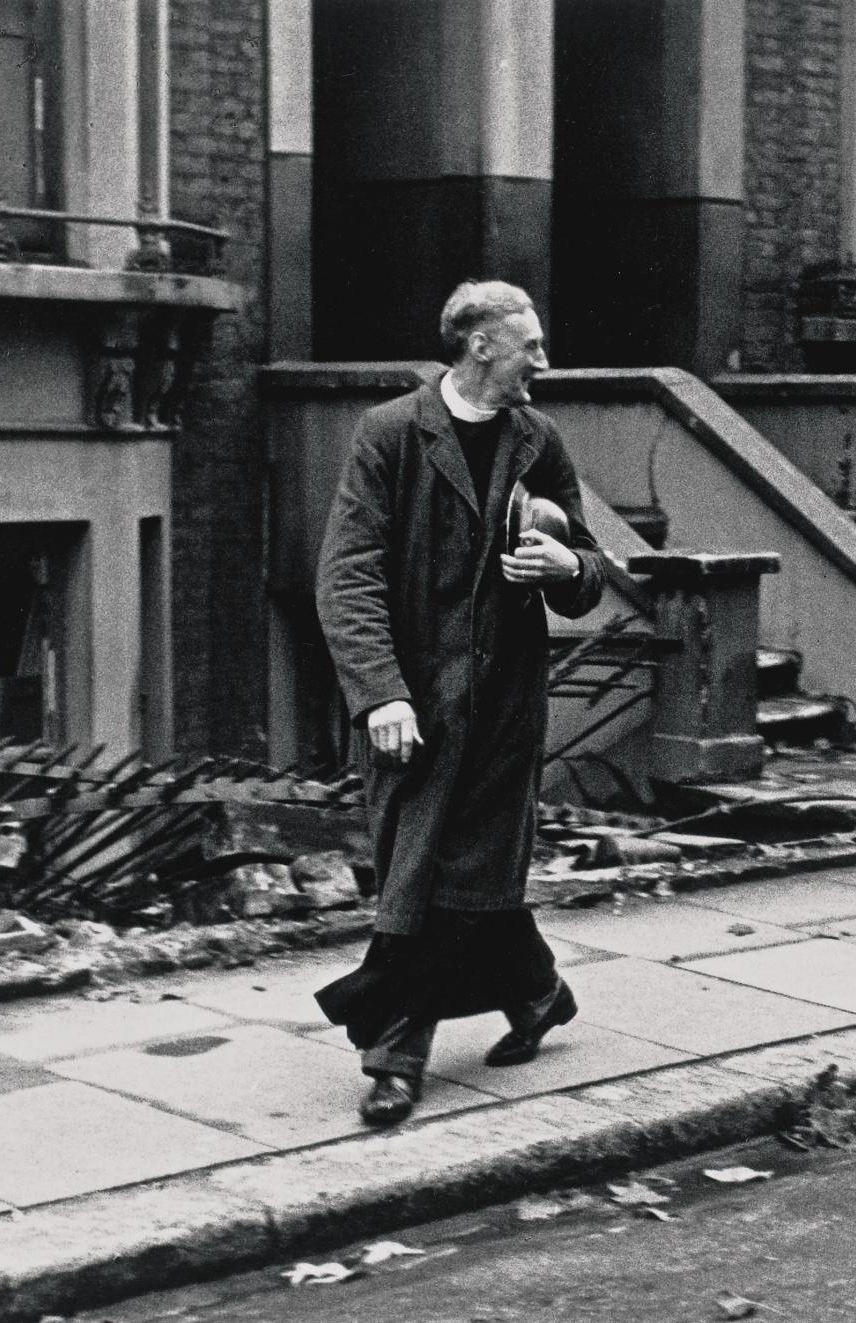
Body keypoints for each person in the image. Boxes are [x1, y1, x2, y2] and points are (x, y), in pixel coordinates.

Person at [312, 280, 607, 1125]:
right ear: (480, 345)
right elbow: (348, 575)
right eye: (532, 346)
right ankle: (525, 999)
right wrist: (380, 696)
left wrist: (566, 569)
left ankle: (399, 1055)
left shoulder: (536, 440)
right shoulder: (391, 435)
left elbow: (586, 567)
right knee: (429, 876)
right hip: (415, 709)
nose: (544, 362)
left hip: (506, 706)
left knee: (454, 882)